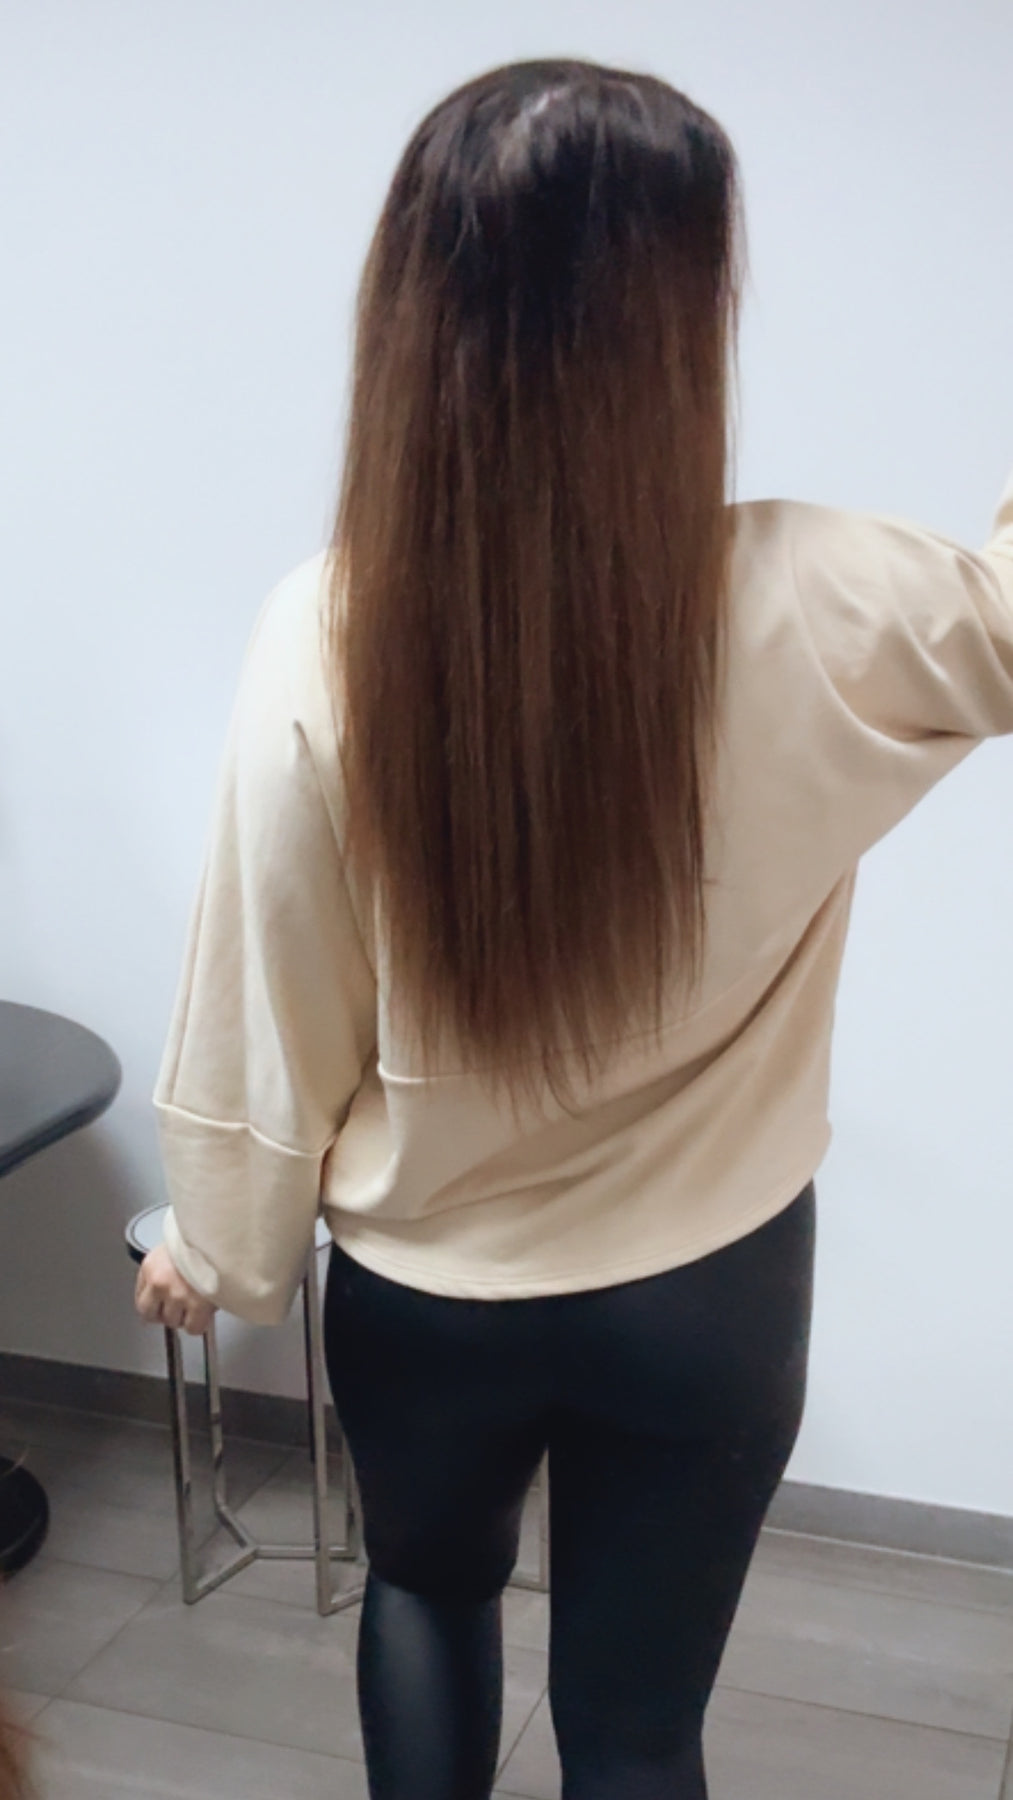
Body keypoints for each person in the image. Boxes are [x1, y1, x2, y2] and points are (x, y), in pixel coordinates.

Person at [134, 55, 1013, 1800]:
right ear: (683, 318)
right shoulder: (831, 601)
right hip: (713, 1293)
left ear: (415, 315)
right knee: (636, 1729)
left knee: (423, 1593)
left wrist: (219, 1254)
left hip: (432, 1299)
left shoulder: (327, 638)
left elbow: (269, 1009)